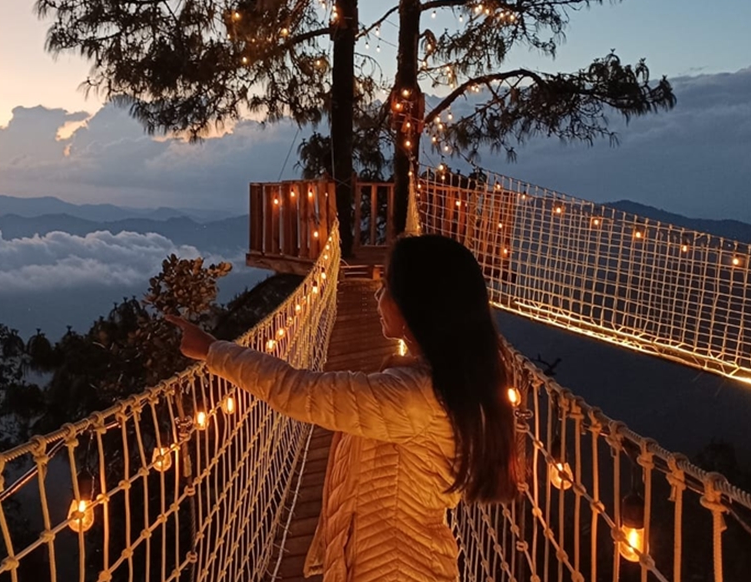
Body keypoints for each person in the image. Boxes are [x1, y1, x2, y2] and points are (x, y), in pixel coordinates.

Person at [166, 234, 521, 582]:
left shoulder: (409, 398)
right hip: (409, 559)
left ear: (415, 305)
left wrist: (212, 350)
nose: (379, 296)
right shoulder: (450, 382)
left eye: (388, 287)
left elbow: (295, 389)